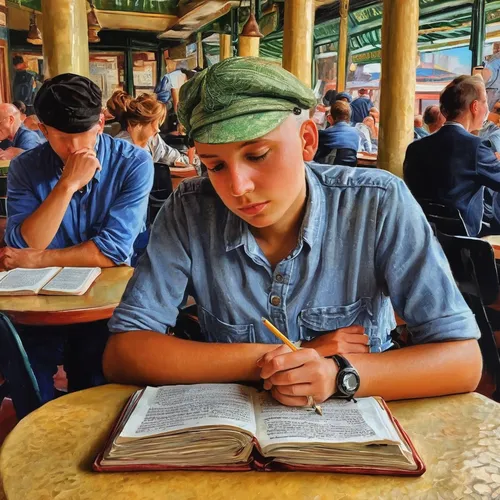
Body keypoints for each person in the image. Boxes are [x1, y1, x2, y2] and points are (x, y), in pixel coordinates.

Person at [103, 57, 481, 406]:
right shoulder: (190, 209)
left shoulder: (376, 202)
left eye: (257, 155)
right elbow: (124, 353)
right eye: (215, 165)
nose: (238, 186)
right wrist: (292, 354)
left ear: (306, 140)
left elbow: (463, 361)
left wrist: (337, 374)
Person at [0, 73, 154, 403]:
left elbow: (112, 252)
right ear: (42, 130)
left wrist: (38, 260)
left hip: (106, 306)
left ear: (100, 122)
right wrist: (67, 185)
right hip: (39, 303)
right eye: (61, 138)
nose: (73, 149)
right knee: (27, 380)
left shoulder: (133, 163)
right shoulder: (26, 168)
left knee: (95, 385)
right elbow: (26, 243)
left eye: (83, 135)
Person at [404, 75, 500, 237]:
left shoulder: (415, 148)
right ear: (475, 106)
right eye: (485, 103)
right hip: (463, 243)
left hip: (422, 237)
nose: (488, 110)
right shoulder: (476, 148)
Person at [107, 90, 195, 168]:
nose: (157, 129)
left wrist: (187, 160)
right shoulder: (120, 147)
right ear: (139, 124)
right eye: (154, 124)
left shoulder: (153, 139)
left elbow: (170, 155)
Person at [315, 101, 364, 165]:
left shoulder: (323, 134)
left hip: (329, 171)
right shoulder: (355, 132)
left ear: (329, 118)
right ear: (349, 118)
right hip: (350, 170)